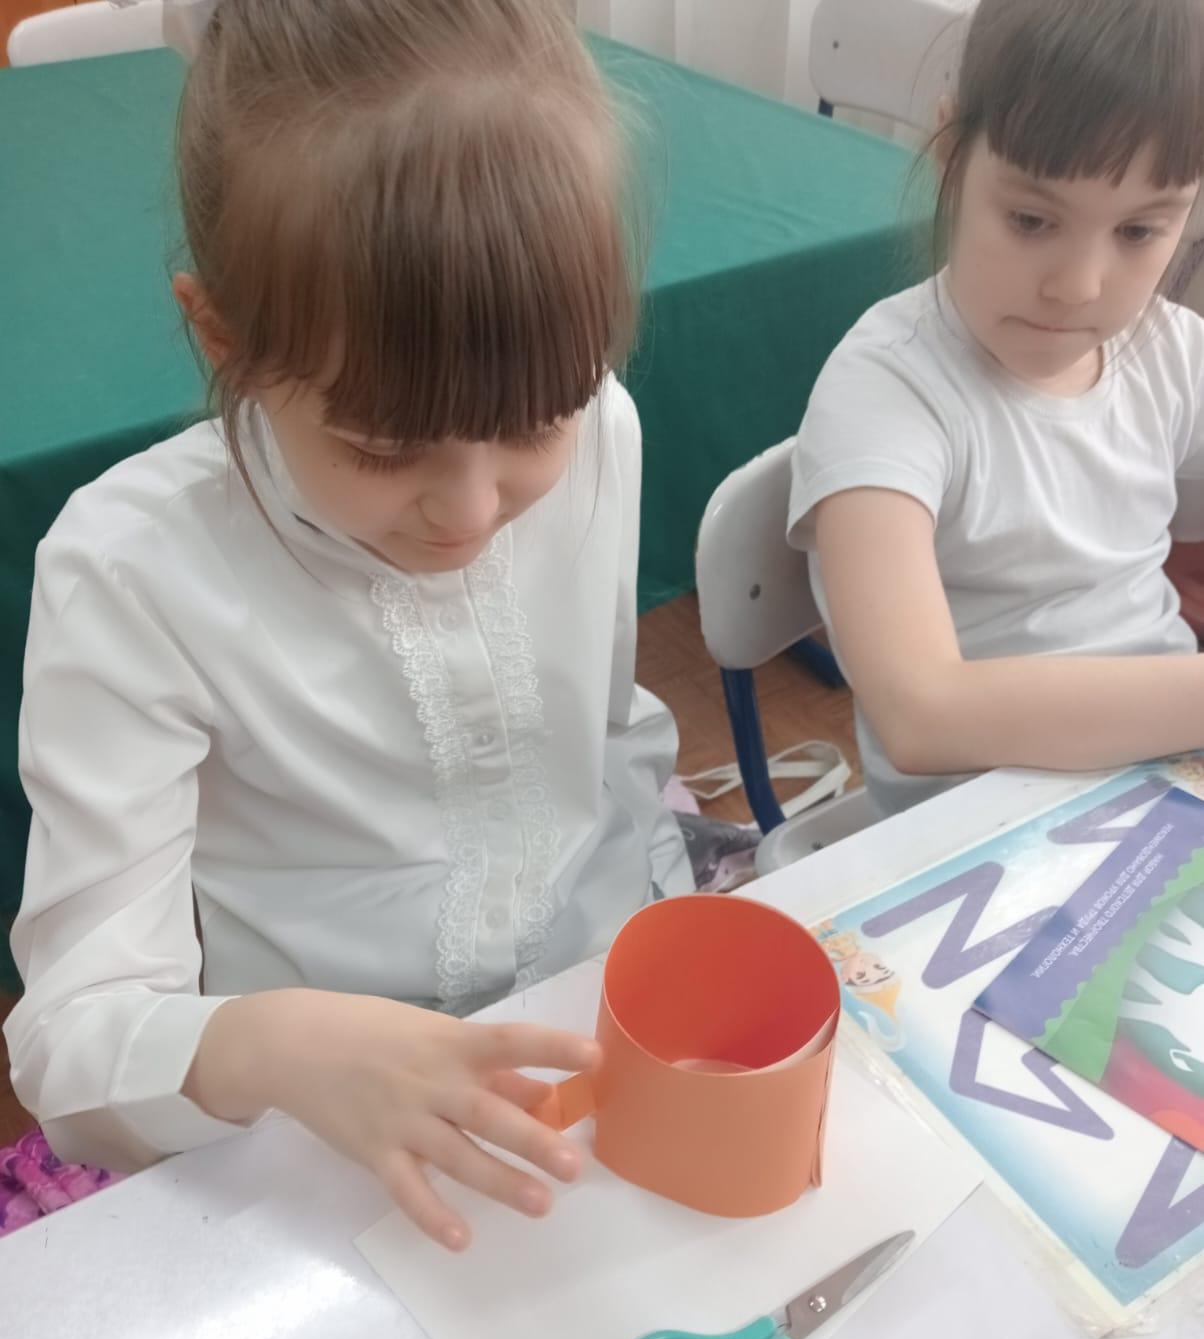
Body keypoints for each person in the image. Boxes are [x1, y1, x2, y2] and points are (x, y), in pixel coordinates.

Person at [4, 0, 691, 1251]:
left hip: (584, 1035)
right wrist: (278, 1043)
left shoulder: (608, 429)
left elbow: (602, 745)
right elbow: (71, 1041)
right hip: (311, 1134)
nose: (470, 510)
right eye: (382, 447)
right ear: (224, 337)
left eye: (535, 423)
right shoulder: (133, 573)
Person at [790, 0, 1204, 818]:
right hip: (979, 831)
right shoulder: (886, 389)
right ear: (951, 152)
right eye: (1030, 219)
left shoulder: (1174, 352)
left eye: (1138, 232)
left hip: (1165, 780)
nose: (1078, 286)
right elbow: (922, 714)